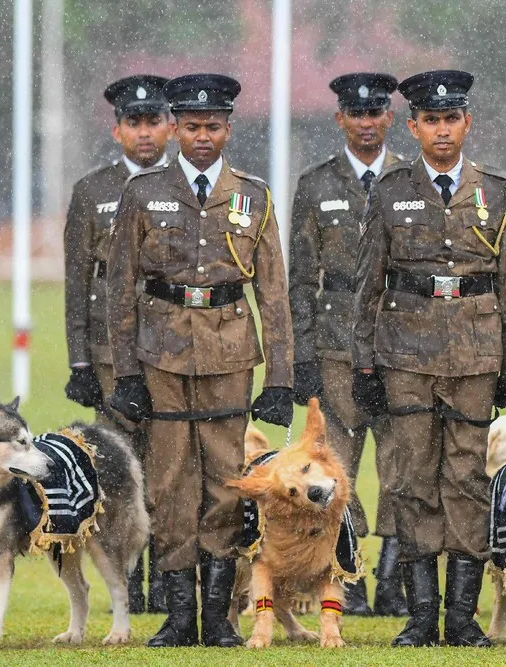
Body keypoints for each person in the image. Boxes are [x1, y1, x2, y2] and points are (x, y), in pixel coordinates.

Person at [106, 73, 293, 648]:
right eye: (191, 126)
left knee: (224, 481)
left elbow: (275, 294)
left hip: (229, 353)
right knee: (167, 483)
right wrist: (127, 374)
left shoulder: (252, 195)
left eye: (212, 126)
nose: (202, 136)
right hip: (160, 354)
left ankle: (216, 616)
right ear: (174, 129)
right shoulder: (144, 194)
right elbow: (119, 289)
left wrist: (280, 377)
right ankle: (178, 614)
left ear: (228, 130)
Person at [351, 69, 506, 647]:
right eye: (431, 120)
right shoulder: (389, 189)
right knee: (411, 481)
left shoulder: (496, 191)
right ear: (413, 127)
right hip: (404, 355)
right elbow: (366, 285)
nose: (442, 130)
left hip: (475, 354)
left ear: (466, 122)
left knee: (466, 482)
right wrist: (364, 364)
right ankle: (421, 616)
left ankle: (461, 616)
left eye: (451, 119)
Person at [288, 71, 407, 617]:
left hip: (402, 343)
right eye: (356, 114)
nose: (366, 123)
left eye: (376, 112)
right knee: (335, 469)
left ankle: (396, 578)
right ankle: (349, 574)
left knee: (404, 464)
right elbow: (301, 279)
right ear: (340, 119)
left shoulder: (412, 177)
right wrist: (303, 356)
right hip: (336, 345)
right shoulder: (316, 184)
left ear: (389, 117)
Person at [63, 74, 173, 614]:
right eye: (135, 122)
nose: (145, 132)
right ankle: (126, 584)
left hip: (175, 347)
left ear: (170, 127)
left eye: (154, 121)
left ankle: (170, 579)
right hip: (111, 354)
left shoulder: (185, 185)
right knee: (120, 472)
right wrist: (79, 360)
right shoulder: (93, 192)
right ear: (117, 130)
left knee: (171, 469)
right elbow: (77, 282)